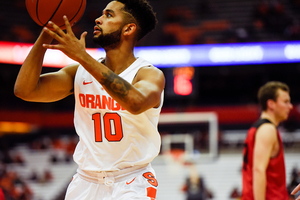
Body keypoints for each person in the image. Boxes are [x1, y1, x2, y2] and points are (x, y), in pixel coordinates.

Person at [14, 0, 165, 199]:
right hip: (85, 182)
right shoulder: (79, 72)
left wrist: (83, 57)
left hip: (131, 181)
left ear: (129, 28)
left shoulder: (148, 75)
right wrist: (47, 31)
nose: (98, 19)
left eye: (109, 15)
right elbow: (24, 90)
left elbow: (135, 102)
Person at [242, 81, 293, 200]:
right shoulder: (267, 130)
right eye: (285, 102)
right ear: (271, 104)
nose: (290, 106)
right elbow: (258, 170)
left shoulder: (256, 129)